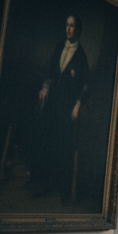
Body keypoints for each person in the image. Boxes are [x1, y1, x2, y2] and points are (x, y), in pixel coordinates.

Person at [35, 14, 90, 203]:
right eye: (66, 25)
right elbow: (50, 70)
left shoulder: (81, 55)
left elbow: (85, 85)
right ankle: (43, 182)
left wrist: (77, 105)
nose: (68, 28)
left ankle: (64, 189)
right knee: (47, 141)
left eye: (72, 25)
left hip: (67, 107)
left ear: (78, 30)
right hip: (53, 103)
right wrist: (45, 87)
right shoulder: (59, 46)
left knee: (63, 146)